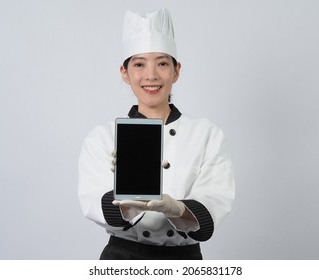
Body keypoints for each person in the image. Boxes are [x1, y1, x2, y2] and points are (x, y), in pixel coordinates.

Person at [77, 8, 235, 260]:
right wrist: (126, 194)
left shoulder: (206, 133)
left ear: (176, 70)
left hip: (184, 260)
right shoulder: (103, 137)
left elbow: (214, 204)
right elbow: (93, 203)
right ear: (125, 73)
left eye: (162, 63)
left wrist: (176, 208)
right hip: (123, 257)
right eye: (139, 64)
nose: (151, 75)